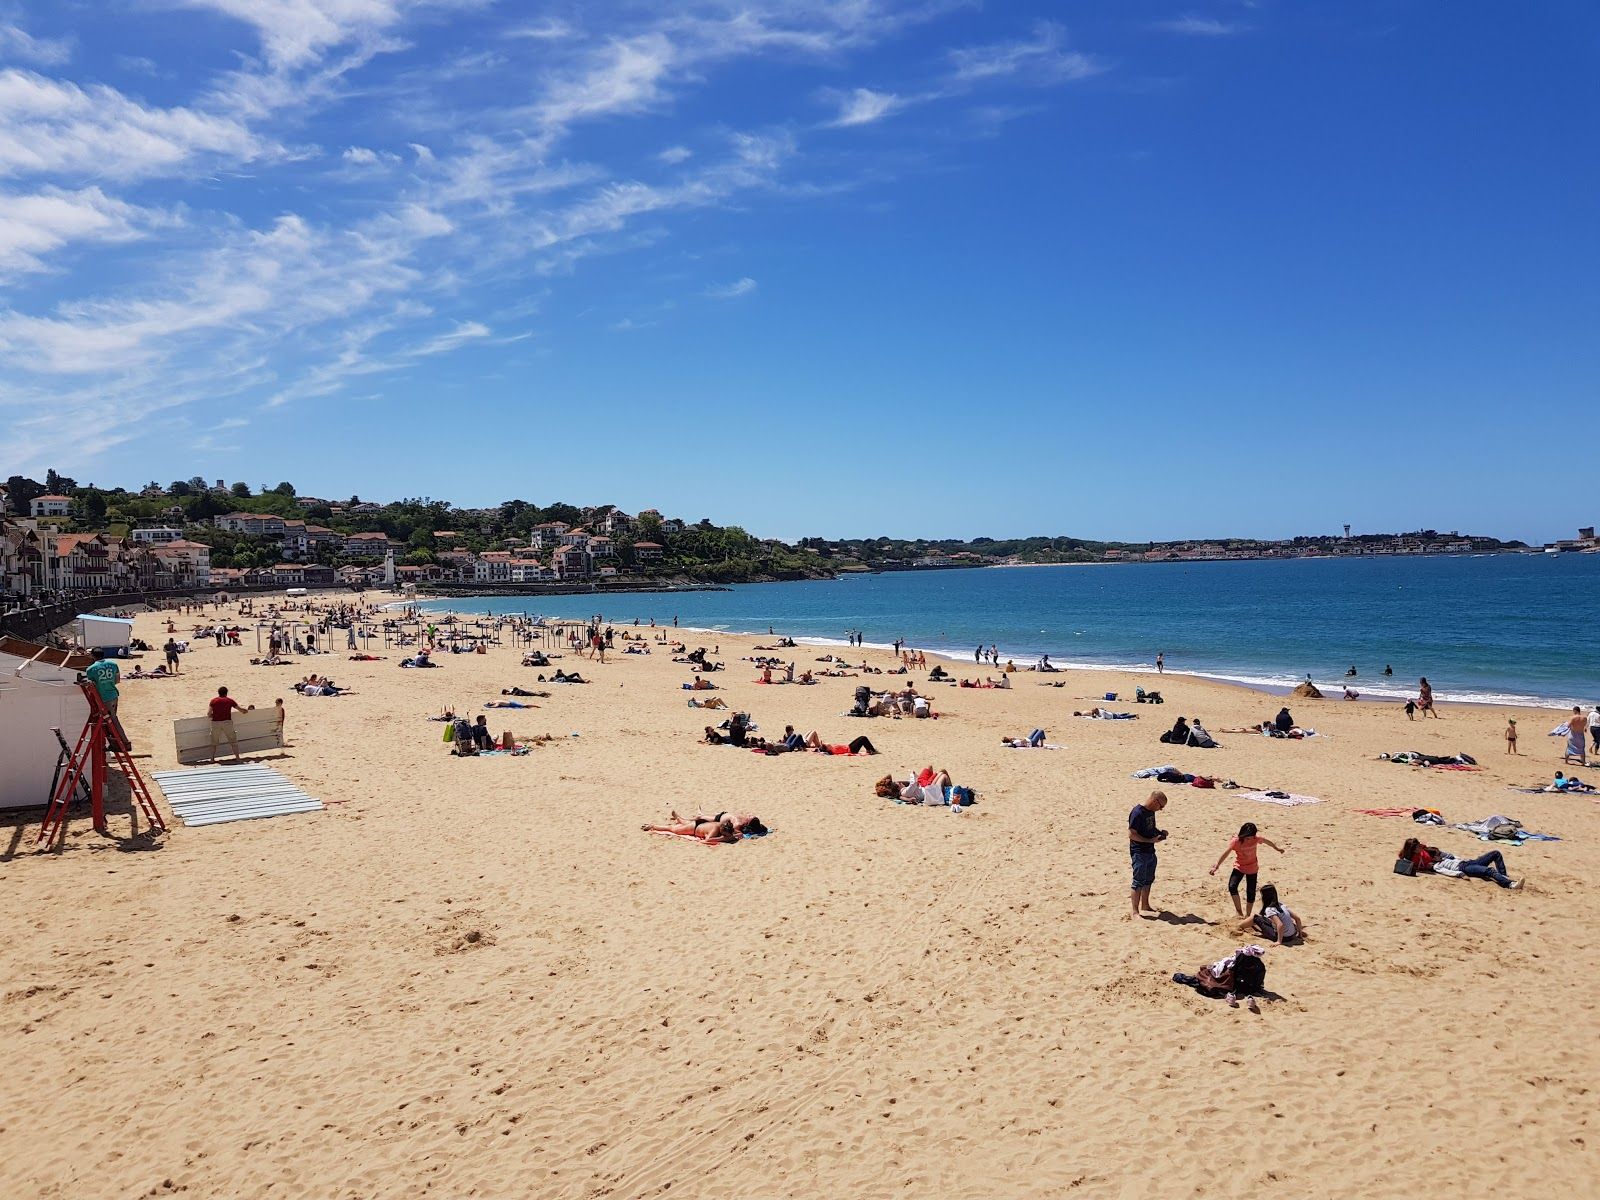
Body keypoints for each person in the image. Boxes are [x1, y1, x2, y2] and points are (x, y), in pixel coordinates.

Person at [1209, 822, 1284, 917]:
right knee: (1232, 886)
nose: (1249, 840)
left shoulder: (1256, 838)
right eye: (1247, 838)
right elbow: (1226, 853)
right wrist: (1216, 865)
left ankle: (1248, 915)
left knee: (1251, 892)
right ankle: (1239, 911)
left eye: (1251, 837)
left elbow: (1267, 842)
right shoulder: (1236, 841)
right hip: (1239, 866)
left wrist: (1277, 848)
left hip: (1252, 868)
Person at [1400, 838, 1520, 888]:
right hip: (1463, 868)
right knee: (1489, 871)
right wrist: (1460, 874)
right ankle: (1510, 884)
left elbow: (1447, 855)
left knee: (1496, 853)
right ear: (1413, 850)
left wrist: (1457, 857)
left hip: (1466, 862)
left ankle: (1504, 877)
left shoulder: (1429, 852)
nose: (1421, 847)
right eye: (1418, 847)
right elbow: (1445, 871)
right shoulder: (1435, 865)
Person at [1128, 790, 1168, 918]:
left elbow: (1150, 828)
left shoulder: (1151, 812)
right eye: (1161, 806)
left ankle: (1145, 905)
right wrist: (1150, 841)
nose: (1160, 809)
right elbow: (1132, 834)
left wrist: (1160, 833)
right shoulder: (1137, 813)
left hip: (1150, 851)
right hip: (1139, 852)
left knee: (1148, 880)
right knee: (1138, 881)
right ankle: (1135, 912)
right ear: (1155, 801)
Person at [207, 686, 252, 762]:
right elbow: (240, 710)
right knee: (233, 741)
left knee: (214, 742)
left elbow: (208, 714)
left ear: (218, 693)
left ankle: (212, 759)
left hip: (216, 723)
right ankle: (237, 758)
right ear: (226, 693)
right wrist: (246, 711)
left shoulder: (213, 701)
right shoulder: (229, 701)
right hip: (227, 722)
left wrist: (216, 715)